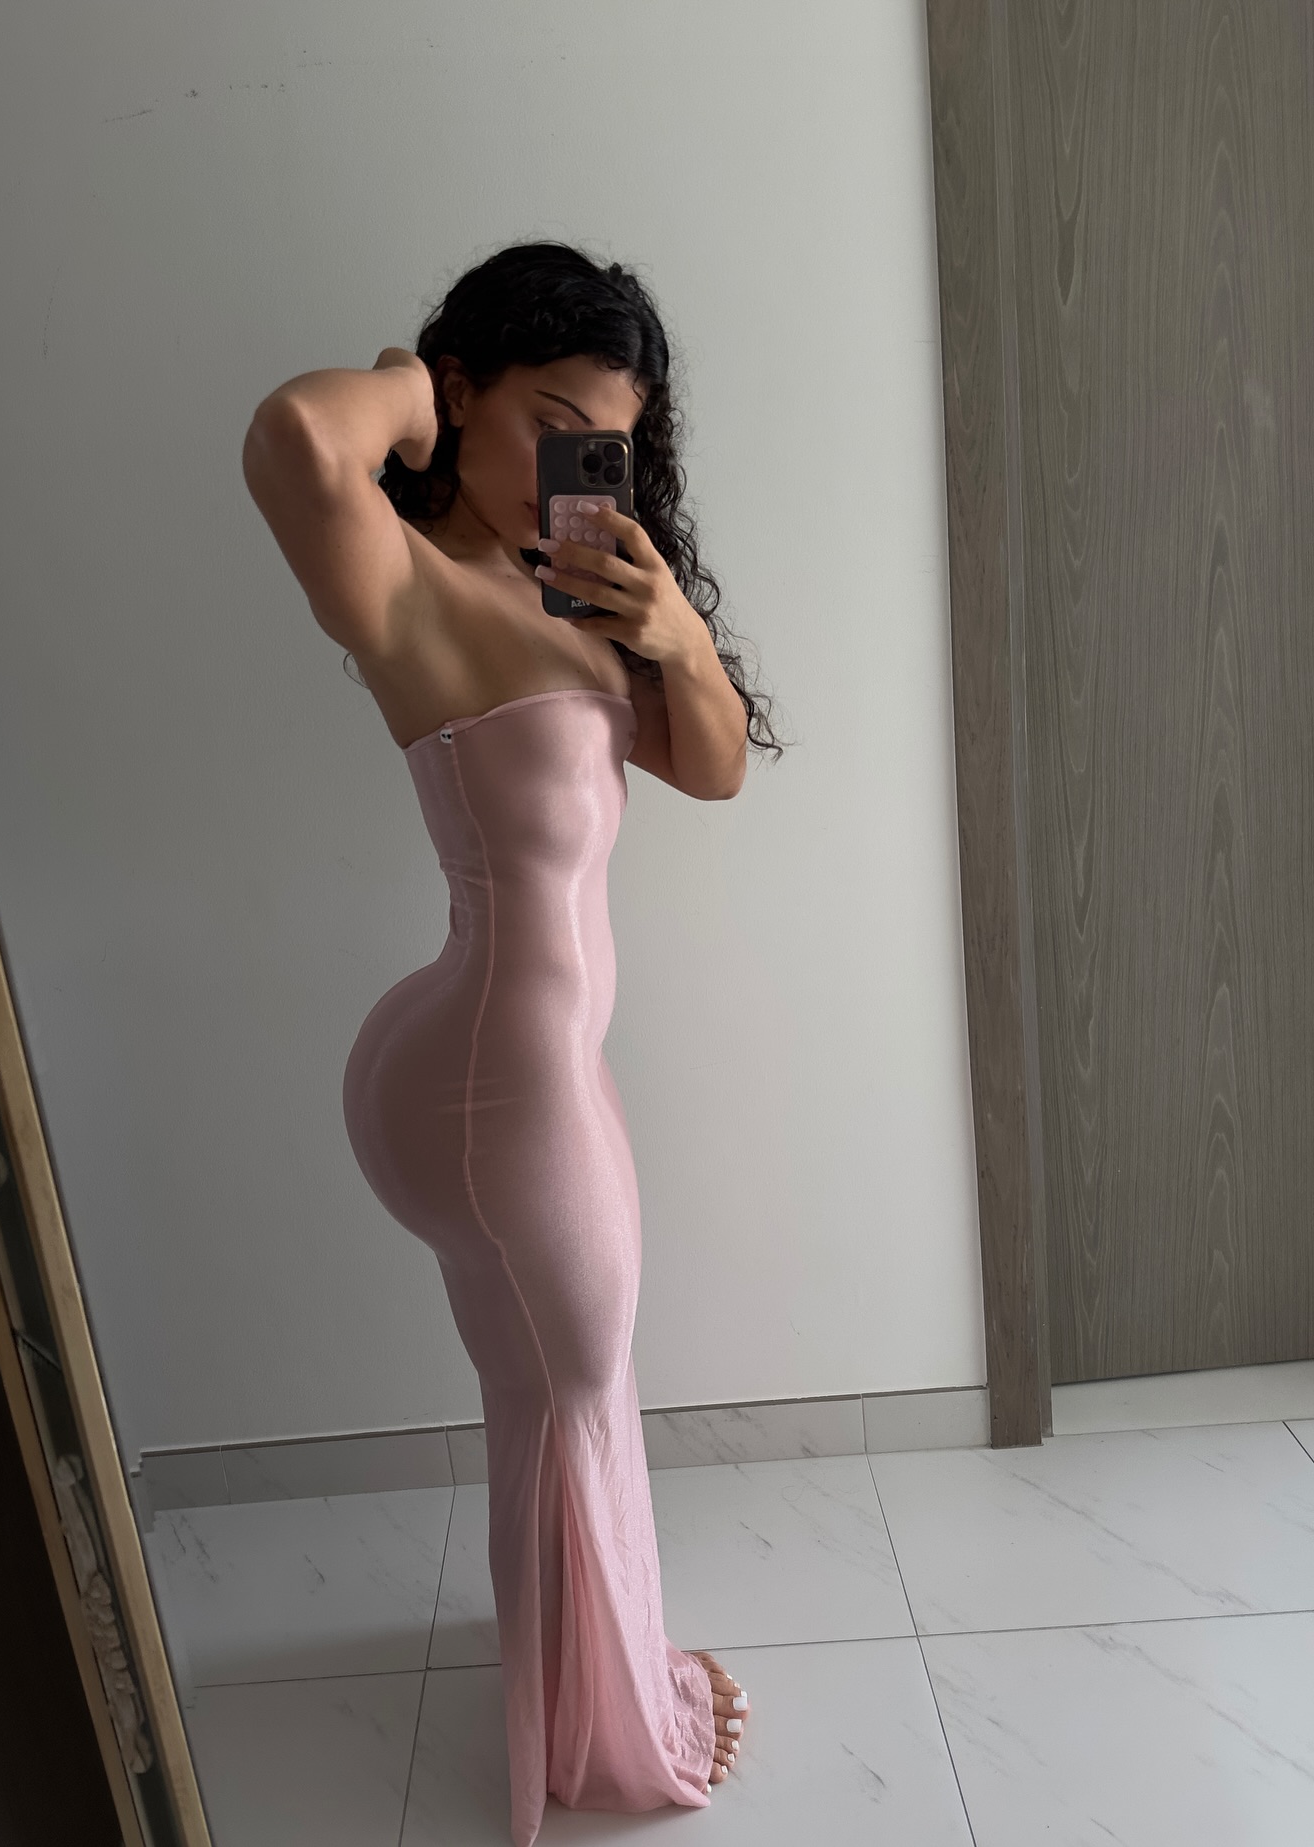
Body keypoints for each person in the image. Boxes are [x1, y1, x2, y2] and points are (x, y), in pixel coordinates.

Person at [241, 241, 778, 1844]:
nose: (574, 468)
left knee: (550, 1392)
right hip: (496, 1081)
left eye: (605, 442)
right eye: (549, 423)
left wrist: (674, 632)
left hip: (509, 1067)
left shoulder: (573, 593)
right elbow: (293, 436)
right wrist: (416, 383)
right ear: (464, 393)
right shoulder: (402, 586)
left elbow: (714, 768)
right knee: (576, 1383)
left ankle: (567, 1679)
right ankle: (595, 1736)